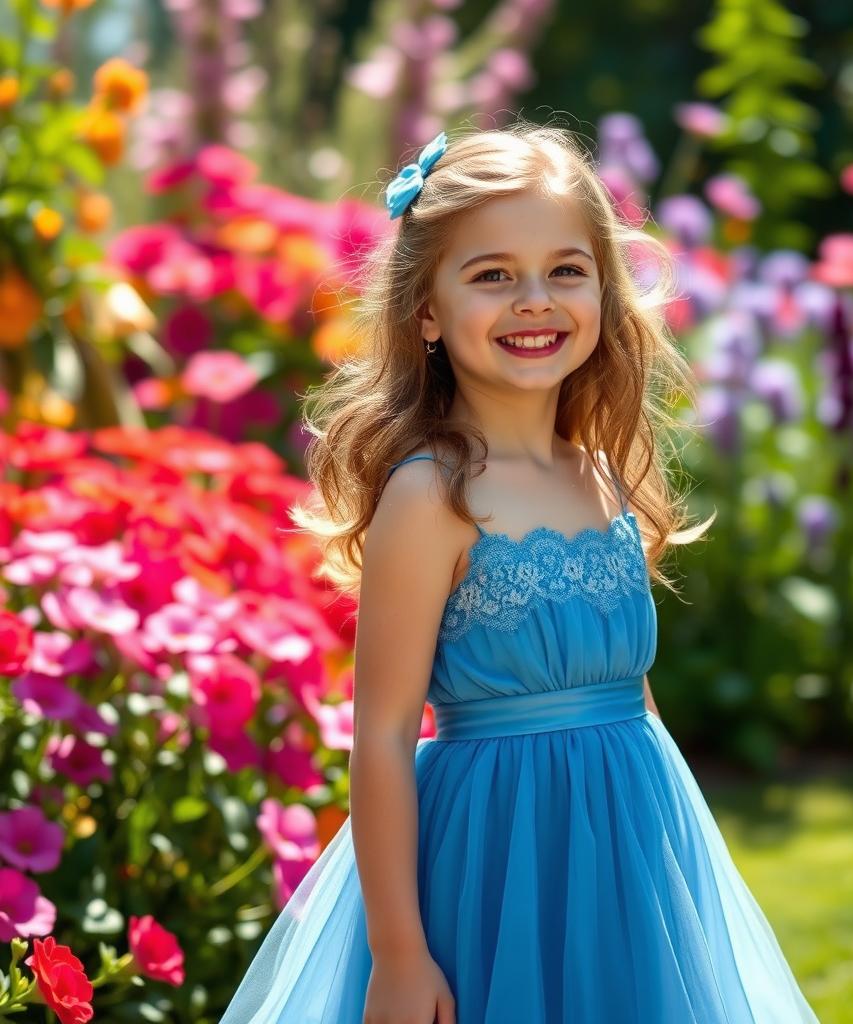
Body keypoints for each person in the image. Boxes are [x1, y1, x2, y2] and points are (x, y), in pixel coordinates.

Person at [219, 121, 821, 1024]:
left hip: (628, 851)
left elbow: (633, 696)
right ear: (426, 309)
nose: (534, 300)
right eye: (493, 275)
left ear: (605, 293)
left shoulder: (603, 473)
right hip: (497, 860)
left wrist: (681, 869)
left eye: (565, 270)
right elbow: (382, 734)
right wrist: (397, 952)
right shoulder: (432, 494)